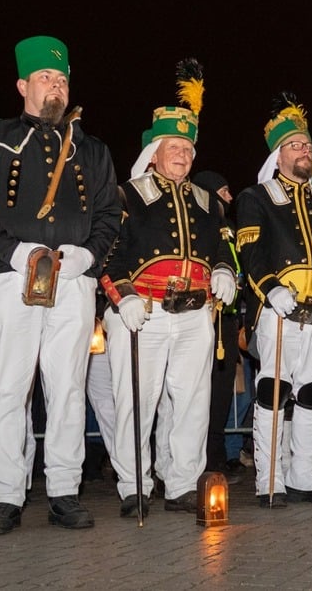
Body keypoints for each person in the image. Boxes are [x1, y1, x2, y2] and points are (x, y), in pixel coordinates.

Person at [0, 36, 121, 534]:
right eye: (46, 78)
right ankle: (7, 494)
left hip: (72, 283)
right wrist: (12, 253)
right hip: (10, 280)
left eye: (63, 80)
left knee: (68, 388)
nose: (56, 86)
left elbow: (111, 214)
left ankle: (64, 491)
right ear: (23, 85)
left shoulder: (92, 149)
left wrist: (88, 256)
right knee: (8, 389)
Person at [102, 63, 237, 517]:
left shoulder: (206, 202)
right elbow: (106, 254)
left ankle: (181, 482)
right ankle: (133, 484)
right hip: (144, 312)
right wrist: (124, 296)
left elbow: (222, 246)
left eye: (188, 149)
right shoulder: (126, 196)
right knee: (136, 402)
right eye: (173, 147)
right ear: (154, 152)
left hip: (196, 314)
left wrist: (223, 270)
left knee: (193, 402)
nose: (182, 155)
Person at [236, 94, 312, 507]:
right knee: (274, 391)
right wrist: (271, 287)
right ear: (278, 153)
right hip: (279, 310)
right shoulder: (257, 198)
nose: (306, 151)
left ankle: (303, 474)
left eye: (308, 145)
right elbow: (251, 253)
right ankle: (269, 479)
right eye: (296, 146)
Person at [191, 170, 244, 483]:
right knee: (197, 394)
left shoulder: (231, 229)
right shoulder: (201, 224)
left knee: (222, 396)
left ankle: (217, 457)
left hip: (227, 320)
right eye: (223, 191)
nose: (229, 197)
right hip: (202, 316)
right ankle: (196, 460)